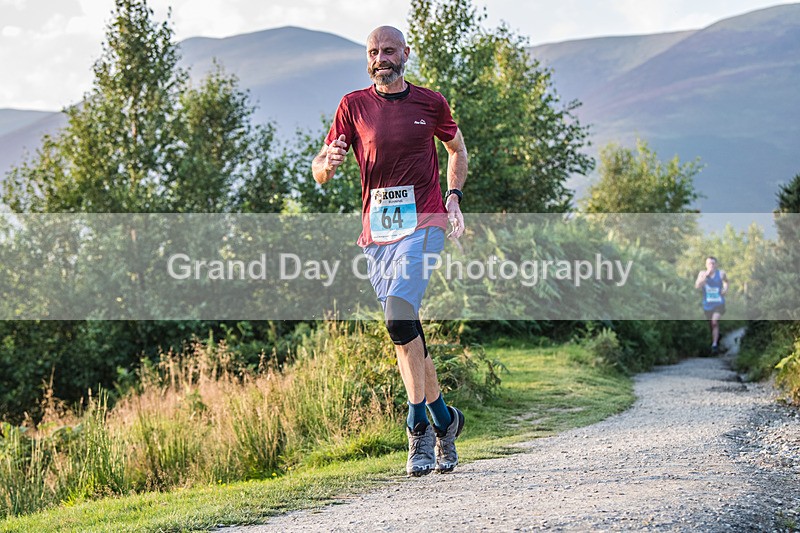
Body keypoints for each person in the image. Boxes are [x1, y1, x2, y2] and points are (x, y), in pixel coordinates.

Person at [312, 25, 468, 477]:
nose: (381, 57)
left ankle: (416, 426)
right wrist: (328, 164)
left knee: (399, 316)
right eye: (373, 51)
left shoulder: (430, 102)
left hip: (425, 223)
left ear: (405, 54)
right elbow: (320, 168)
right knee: (406, 332)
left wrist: (454, 197)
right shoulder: (353, 106)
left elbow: (456, 150)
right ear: (368, 58)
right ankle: (446, 419)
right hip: (377, 234)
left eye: (389, 50)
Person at [694, 256, 729, 355]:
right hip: (707, 304)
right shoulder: (702, 274)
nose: (711, 265)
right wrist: (705, 276)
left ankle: (714, 345)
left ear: (716, 265)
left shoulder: (721, 273)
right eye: (709, 263)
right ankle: (716, 339)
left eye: (713, 263)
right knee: (711, 324)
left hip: (719, 303)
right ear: (706, 265)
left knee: (714, 322)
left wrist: (725, 288)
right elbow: (697, 286)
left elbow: (726, 281)